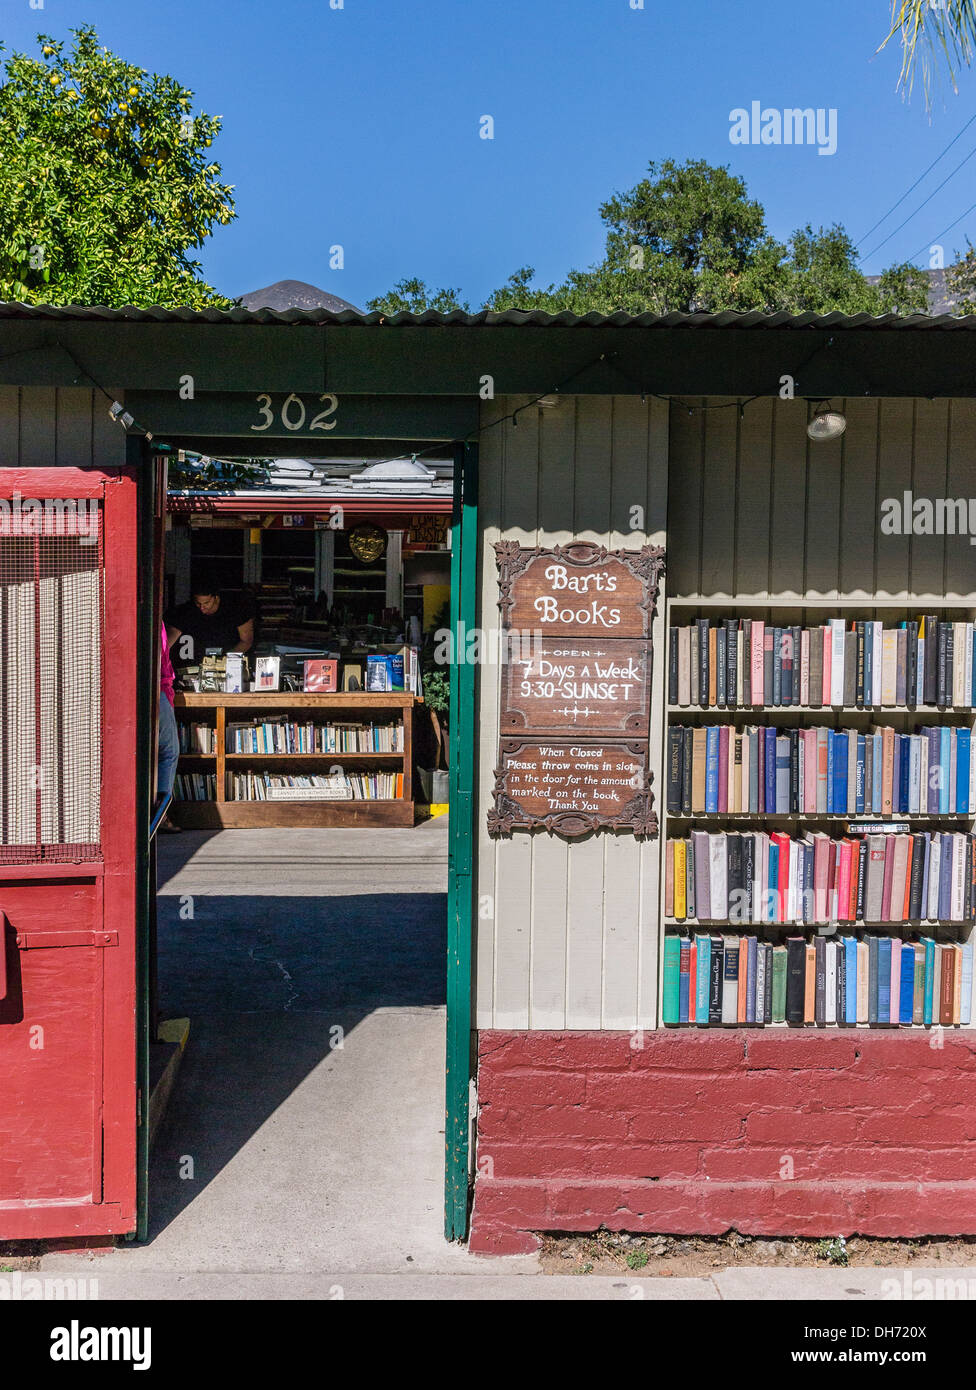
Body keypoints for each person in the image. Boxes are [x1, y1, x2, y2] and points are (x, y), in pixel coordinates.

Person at [165, 573, 255, 668]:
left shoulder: (235, 610)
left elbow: (246, 641)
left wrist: (226, 661)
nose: (202, 607)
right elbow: (168, 641)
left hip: (226, 664)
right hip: (193, 665)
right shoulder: (186, 612)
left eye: (206, 603)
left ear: (216, 598)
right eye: (198, 603)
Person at [157, 621, 181, 832]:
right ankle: (161, 815)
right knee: (168, 752)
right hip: (159, 691)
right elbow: (163, 652)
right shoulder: (158, 624)